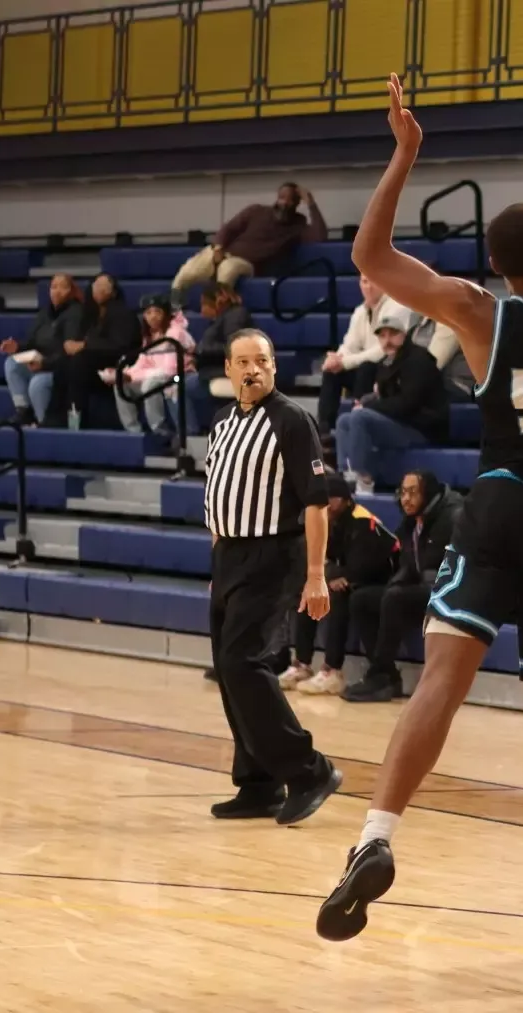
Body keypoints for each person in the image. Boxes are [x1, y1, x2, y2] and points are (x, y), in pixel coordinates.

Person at [315, 7, 523, 993]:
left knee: (441, 676)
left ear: (493, 266)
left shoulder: (476, 314)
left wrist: (403, 154)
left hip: (492, 504)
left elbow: (369, 259)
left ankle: (375, 834)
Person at [203, 329, 344, 825]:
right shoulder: (222, 424)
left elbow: (315, 502)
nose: (252, 370)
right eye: (242, 361)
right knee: (228, 668)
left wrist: (315, 574)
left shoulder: (292, 420)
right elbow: (219, 496)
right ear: (227, 369)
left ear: (274, 366)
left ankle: (309, 771)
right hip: (229, 558)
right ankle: (258, 782)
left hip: (273, 555)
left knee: (244, 661)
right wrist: (217, 566)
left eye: (261, 360)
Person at [345, 469, 463, 703]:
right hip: (422, 589)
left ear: (427, 494)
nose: (405, 499)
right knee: (362, 599)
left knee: (395, 597)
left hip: (451, 594)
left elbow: (449, 571)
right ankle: (387, 674)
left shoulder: (452, 516)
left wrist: (399, 586)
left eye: (412, 493)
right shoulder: (411, 521)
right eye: (403, 492)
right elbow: (407, 565)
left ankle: (379, 674)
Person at [284, 474, 400, 696]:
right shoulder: (328, 520)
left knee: (338, 596)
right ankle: (302, 664)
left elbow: (365, 563)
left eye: (332, 498)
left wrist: (339, 576)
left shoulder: (362, 521)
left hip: (383, 579)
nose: (326, 503)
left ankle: (332, 670)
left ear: (346, 500)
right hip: (354, 574)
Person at [333, 310, 447, 494]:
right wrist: (366, 401)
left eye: (393, 334)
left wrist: (369, 406)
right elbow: (386, 398)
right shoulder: (388, 362)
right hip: (400, 423)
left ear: (405, 335)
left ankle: (364, 480)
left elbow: (407, 404)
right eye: (382, 335)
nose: (387, 340)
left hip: (422, 429)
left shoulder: (418, 360)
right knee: (344, 420)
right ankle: (345, 476)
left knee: (359, 418)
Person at [170, 182, 328, 304]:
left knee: (227, 270)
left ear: (297, 203)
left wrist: (311, 203)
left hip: (247, 263)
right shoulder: (256, 211)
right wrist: (218, 248)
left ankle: (216, 313)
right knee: (187, 272)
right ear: (277, 197)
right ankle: (175, 309)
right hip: (223, 251)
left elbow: (320, 236)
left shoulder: (297, 226)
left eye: (291, 199)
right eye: (282, 197)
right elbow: (229, 228)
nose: (285, 203)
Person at [318, 274, 408, 432]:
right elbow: (349, 345)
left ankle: (360, 424)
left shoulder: (397, 307)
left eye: (373, 281)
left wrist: (345, 362)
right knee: (331, 372)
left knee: (366, 367)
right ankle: (324, 431)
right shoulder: (360, 311)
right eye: (365, 282)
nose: (369, 287)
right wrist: (336, 359)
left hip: (390, 370)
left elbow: (383, 349)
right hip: (364, 367)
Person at [0, 273, 83, 427]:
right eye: (53, 287)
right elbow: (33, 342)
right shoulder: (45, 313)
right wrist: (18, 347)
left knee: (37, 383)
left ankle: (43, 422)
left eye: (63, 287)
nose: (56, 291)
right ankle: (23, 410)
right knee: (12, 363)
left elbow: (69, 351)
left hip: (60, 368)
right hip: (40, 361)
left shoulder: (75, 313)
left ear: (71, 291)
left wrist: (45, 364)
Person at [66, 273, 140, 427]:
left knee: (79, 362)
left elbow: (119, 346)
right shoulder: (91, 315)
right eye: (95, 286)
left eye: (102, 287)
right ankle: (58, 419)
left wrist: (85, 345)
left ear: (113, 292)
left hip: (116, 367)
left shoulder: (122, 313)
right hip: (93, 368)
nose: (96, 290)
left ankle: (79, 420)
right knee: (63, 365)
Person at [115, 294, 194, 436]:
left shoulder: (175, 332)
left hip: (178, 375)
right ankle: (134, 431)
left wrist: (137, 377)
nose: (153, 317)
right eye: (148, 313)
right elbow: (143, 362)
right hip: (155, 376)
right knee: (120, 383)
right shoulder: (150, 336)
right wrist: (128, 375)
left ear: (166, 313)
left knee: (150, 384)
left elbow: (170, 369)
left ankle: (159, 430)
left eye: (157, 312)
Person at [186, 283, 255, 434]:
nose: (202, 310)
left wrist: (200, 350)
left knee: (182, 386)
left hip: (229, 372)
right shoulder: (225, 317)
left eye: (204, 304)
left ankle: (190, 434)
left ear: (217, 301)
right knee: (181, 384)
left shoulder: (236, 316)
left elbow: (234, 347)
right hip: (215, 370)